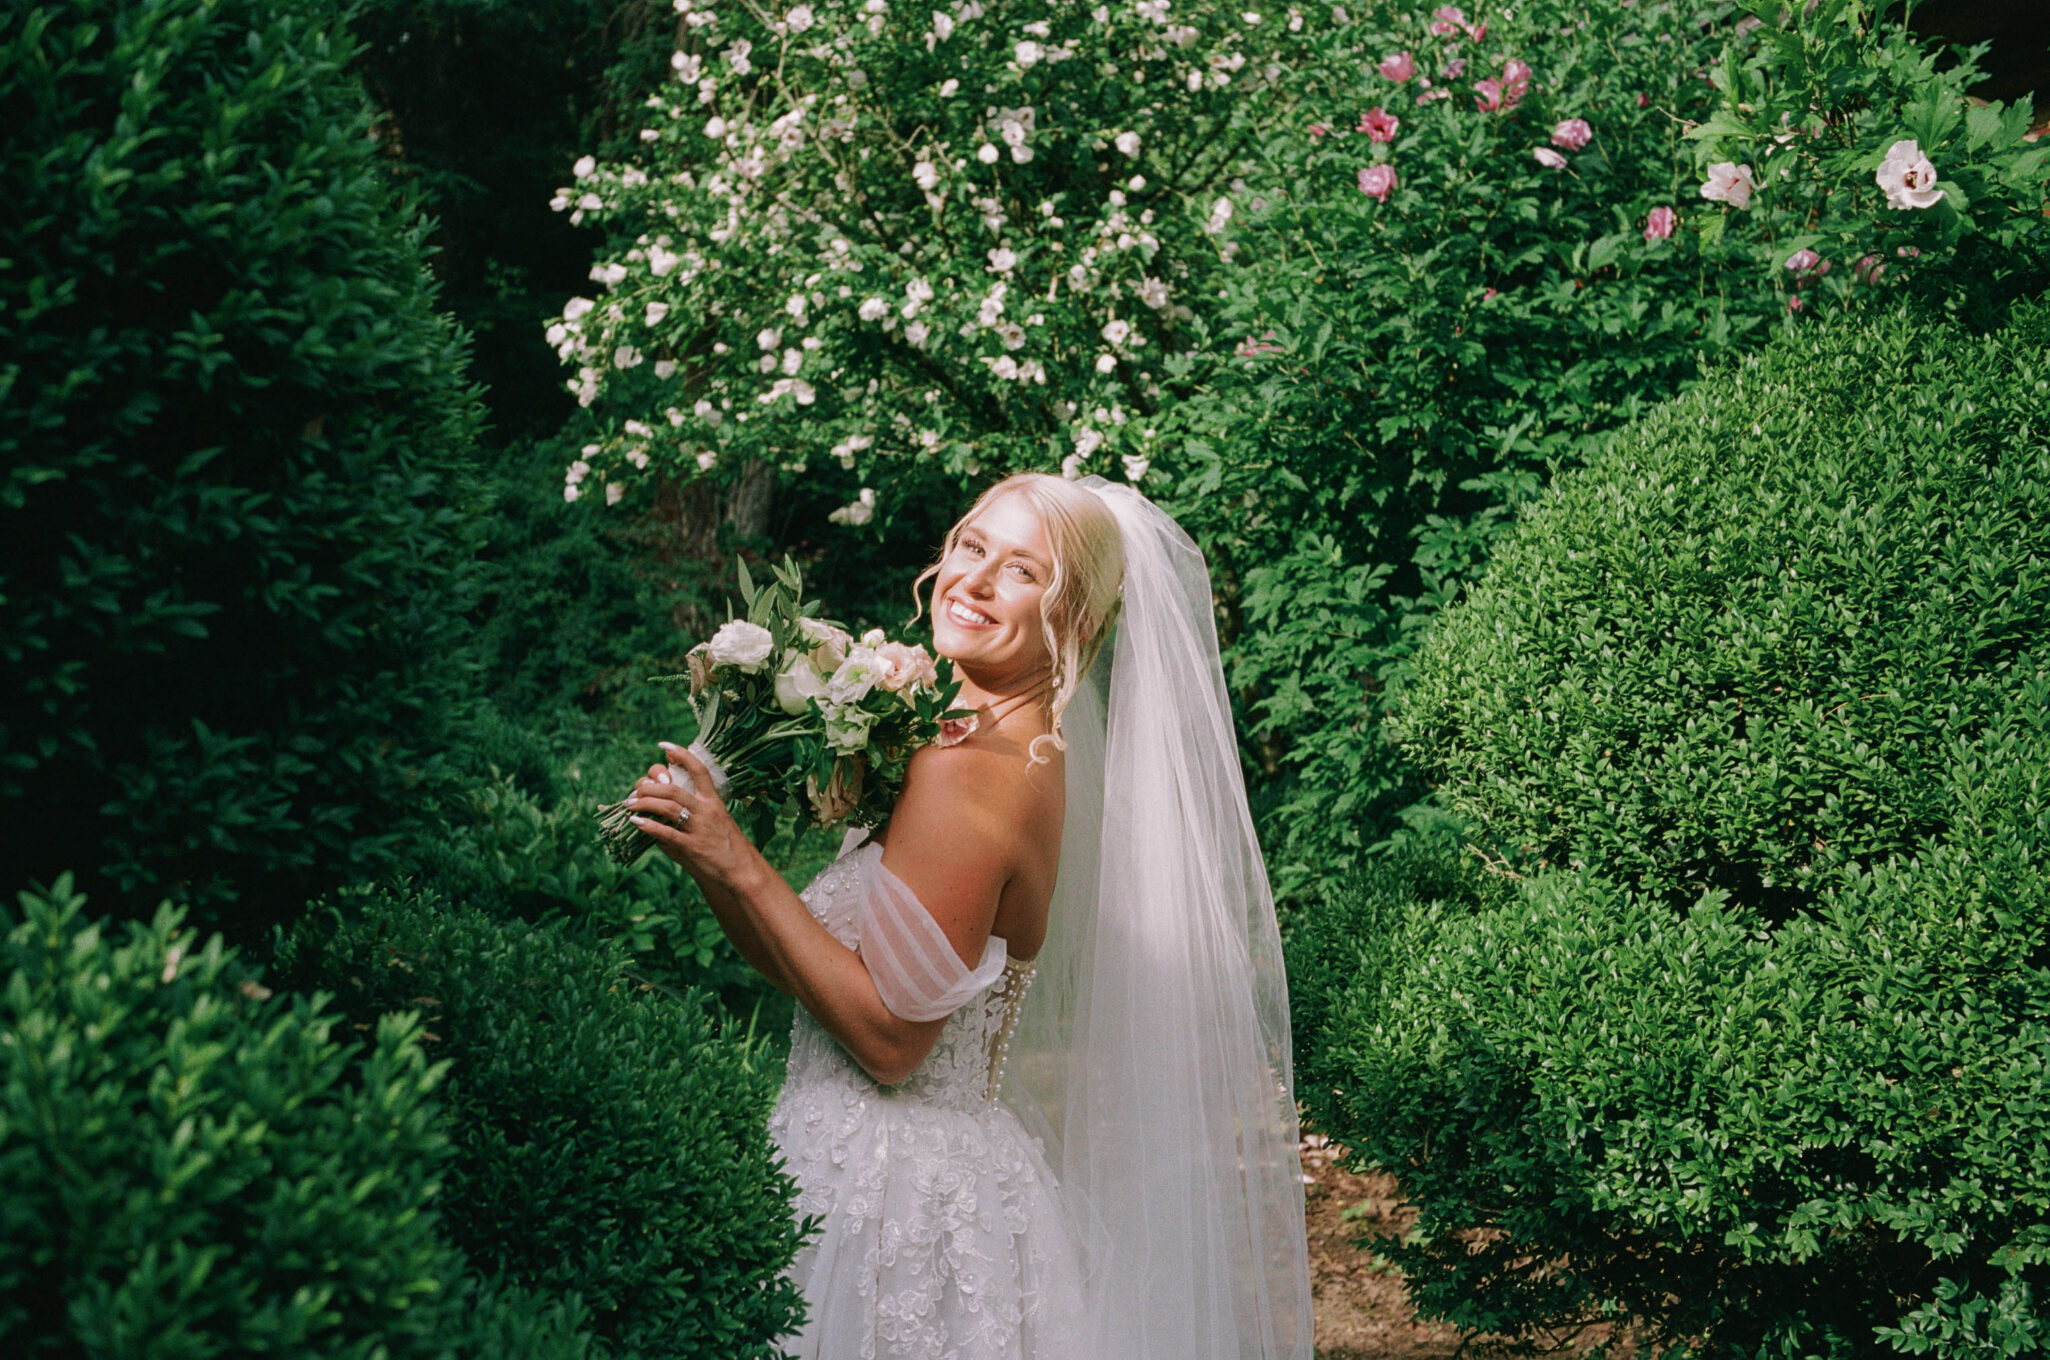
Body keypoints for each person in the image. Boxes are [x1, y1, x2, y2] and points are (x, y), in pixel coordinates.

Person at [623, 473, 1313, 1359]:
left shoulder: (976, 772)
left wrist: (741, 862)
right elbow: (820, 973)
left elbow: (889, 1045)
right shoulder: (978, 740)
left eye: (1023, 571)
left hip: (891, 1202)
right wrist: (710, 850)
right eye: (973, 546)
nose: (975, 581)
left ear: (1078, 620)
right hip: (890, 1167)